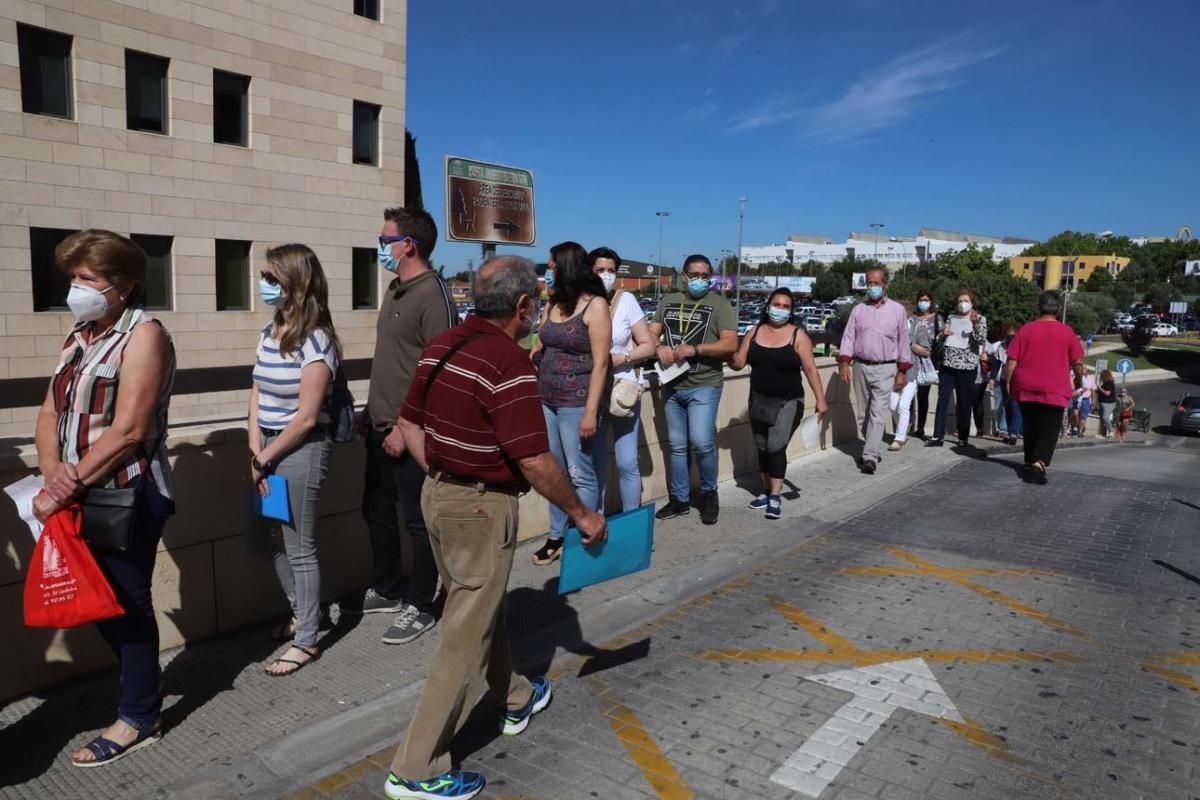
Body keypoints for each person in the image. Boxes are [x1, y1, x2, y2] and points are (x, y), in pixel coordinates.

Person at [386, 256, 607, 800]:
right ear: (523, 305)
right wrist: (583, 514)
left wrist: (442, 470)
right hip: (479, 508)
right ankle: (415, 770)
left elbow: (408, 423)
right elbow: (534, 460)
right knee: (463, 637)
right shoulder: (508, 362)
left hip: (437, 495)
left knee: (476, 609)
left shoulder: (444, 344)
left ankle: (514, 696)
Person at [32, 230, 176, 766]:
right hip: (76, 489)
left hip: (127, 491)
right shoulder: (78, 334)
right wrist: (53, 471)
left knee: (125, 600)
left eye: (87, 279)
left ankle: (139, 714)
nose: (76, 289)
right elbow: (50, 412)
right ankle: (143, 684)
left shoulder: (145, 335)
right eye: (73, 277)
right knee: (99, 601)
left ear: (123, 285)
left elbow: (131, 428)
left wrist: (68, 483)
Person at [360, 207, 457, 644]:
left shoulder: (433, 295)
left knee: (418, 522)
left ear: (409, 245)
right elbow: (395, 361)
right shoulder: (395, 289)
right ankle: (388, 587)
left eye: (385, 240)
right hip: (377, 427)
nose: (380, 246)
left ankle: (421, 603)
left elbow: (440, 374)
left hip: (410, 433)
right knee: (376, 510)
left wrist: (405, 426)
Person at [248, 244, 340, 676]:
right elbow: (256, 393)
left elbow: (305, 418)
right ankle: (301, 613)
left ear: (295, 285)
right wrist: (255, 449)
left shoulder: (317, 340)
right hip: (266, 451)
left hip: (299, 452)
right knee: (273, 541)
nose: (263, 284)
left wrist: (265, 456)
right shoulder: (269, 333)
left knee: (299, 547)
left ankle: (307, 640)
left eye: (271, 278)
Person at [529, 242, 610, 566]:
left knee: (581, 473)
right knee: (555, 473)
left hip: (576, 403)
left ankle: (582, 539)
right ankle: (556, 535)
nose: (547, 271)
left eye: (551, 266)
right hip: (546, 399)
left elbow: (601, 363)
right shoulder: (553, 303)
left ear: (564, 267)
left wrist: (591, 411)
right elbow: (539, 343)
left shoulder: (595, 307)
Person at [650, 255, 738, 523]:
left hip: (705, 385)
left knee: (701, 442)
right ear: (683, 276)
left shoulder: (719, 303)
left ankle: (709, 493)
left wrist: (696, 349)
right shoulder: (668, 301)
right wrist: (658, 347)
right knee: (677, 447)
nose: (700, 281)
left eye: (705, 276)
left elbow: (730, 344)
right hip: (673, 385)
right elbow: (650, 333)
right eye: (695, 275)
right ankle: (680, 499)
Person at [730, 288, 828, 518]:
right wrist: (726, 354)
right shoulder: (754, 331)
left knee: (775, 446)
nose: (780, 310)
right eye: (777, 304)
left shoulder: (798, 335)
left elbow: (811, 370)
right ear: (767, 306)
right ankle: (765, 491)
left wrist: (821, 400)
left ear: (791, 311)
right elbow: (739, 362)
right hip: (758, 400)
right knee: (762, 447)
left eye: (786, 306)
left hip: (788, 401)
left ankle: (775, 495)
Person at [589, 247, 657, 512]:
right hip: (590, 393)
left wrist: (623, 358)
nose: (606, 275)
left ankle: (633, 527)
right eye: (600, 270)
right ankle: (596, 526)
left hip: (622, 391)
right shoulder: (581, 301)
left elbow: (648, 346)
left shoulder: (626, 300)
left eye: (611, 271)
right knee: (595, 464)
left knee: (626, 463)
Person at [1003, 291, 1084, 484]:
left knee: (1030, 424)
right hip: (1054, 386)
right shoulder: (1067, 332)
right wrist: (1080, 378)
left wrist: (1008, 381)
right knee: (1049, 427)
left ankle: (1029, 460)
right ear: (1059, 309)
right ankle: (1038, 464)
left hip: (1026, 385)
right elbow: (1077, 362)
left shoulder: (1026, 330)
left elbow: (1012, 360)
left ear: (1039, 307)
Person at [836, 267, 912, 474]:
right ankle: (874, 447)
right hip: (861, 366)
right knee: (863, 416)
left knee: (878, 413)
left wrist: (902, 370)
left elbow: (904, 341)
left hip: (886, 367)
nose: (872, 287)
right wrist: (844, 362)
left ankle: (869, 457)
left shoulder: (897, 310)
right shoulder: (858, 310)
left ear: (885, 284)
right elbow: (848, 337)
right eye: (869, 283)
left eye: (876, 283)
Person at [928, 288, 987, 448]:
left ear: (972, 303)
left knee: (964, 402)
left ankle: (963, 437)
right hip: (948, 365)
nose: (962, 304)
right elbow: (939, 337)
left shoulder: (980, 319)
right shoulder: (951, 317)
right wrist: (942, 334)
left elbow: (980, 340)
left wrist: (974, 325)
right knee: (943, 399)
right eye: (960, 301)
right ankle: (937, 436)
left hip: (967, 367)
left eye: (966, 301)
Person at [887, 301, 919, 450]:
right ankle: (903, 429)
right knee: (893, 406)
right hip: (893, 372)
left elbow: (926, 351)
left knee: (903, 405)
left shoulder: (918, 327)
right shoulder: (891, 327)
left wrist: (910, 344)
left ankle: (899, 438)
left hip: (911, 373)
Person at [908, 290, 939, 439]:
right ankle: (908, 423)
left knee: (923, 395)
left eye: (926, 300)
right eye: (921, 300)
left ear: (931, 301)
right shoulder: (911, 318)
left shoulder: (937, 318)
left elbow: (940, 339)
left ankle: (920, 426)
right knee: (908, 395)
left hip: (928, 361)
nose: (923, 303)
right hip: (911, 360)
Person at [986, 323, 1021, 445]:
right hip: (1004, 378)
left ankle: (1013, 431)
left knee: (1015, 404)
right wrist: (991, 379)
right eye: (1008, 335)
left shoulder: (1022, 345)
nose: (1011, 337)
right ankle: (1009, 430)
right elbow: (996, 364)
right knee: (1006, 404)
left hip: (1018, 379)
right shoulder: (1002, 346)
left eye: (1013, 335)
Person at [1097, 368, 1117, 439]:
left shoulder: (1109, 383)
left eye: (1101, 375)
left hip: (1108, 403)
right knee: (1102, 419)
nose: (1100, 377)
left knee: (1105, 417)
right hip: (1102, 403)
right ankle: (1102, 433)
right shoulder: (1105, 383)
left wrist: (1099, 388)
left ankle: (1111, 432)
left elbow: (1107, 393)